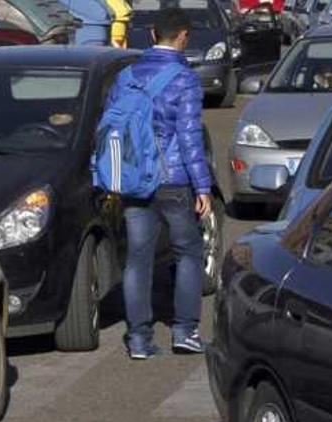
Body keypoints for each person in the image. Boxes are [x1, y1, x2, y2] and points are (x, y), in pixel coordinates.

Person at [107, 7, 212, 359]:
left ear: (152, 34)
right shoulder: (185, 80)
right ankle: (185, 331)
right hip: (174, 180)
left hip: (134, 179)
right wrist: (203, 187)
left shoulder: (126, 76)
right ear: (184, 36)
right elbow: (189, 138)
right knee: (188, 252)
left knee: (137, 258)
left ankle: (138, 338)